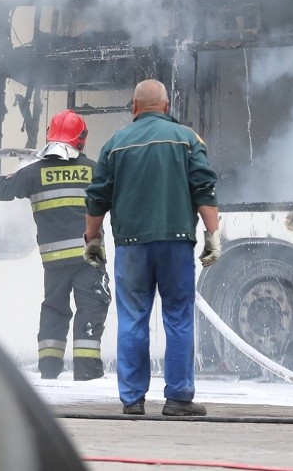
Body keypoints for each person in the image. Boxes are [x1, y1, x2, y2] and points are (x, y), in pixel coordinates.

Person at [83, 79, 221, 416]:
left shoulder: (115, 144)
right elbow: (204, 187)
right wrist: (212, 234)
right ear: (166, 106)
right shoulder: (188, 140)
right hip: (176, 244)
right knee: (178, 318)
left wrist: (94, 239)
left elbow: (97, 196)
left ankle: (132, 400)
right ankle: (178, 399)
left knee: (132, 319)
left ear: (134, 107)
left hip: (131, 247)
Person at [0, 109, 111, 381]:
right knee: (90, 308)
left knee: (54, 309)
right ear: (81, 140)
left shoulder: (33, 173)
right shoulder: (94, 170)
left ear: (49, 137)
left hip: (53, 260)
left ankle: (49, 371)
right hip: (88, 258)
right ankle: (87, 374)